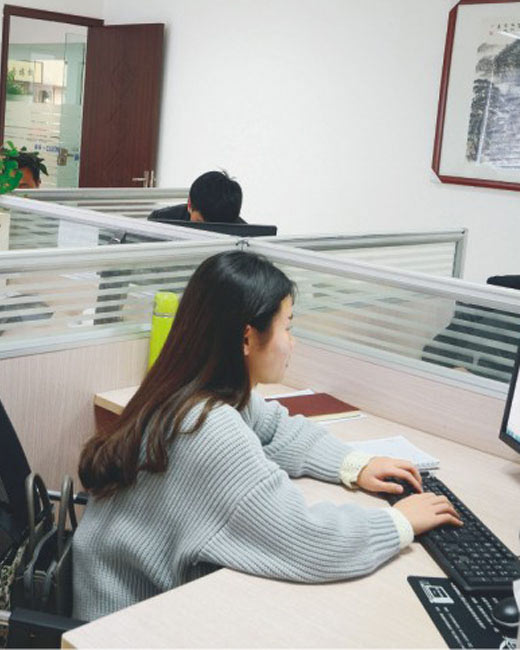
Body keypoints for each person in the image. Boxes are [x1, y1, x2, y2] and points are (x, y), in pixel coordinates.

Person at [73, 251, 460, 621]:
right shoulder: (208, 428)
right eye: (287, 327)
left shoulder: (188, 391)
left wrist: (355, 465)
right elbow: (307, 541)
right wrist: (400, 522)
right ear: (247, 338)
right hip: (122, 628)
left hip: (117, 601)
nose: (293, 342)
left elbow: (278, 429)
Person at [148, 170, 245, 223]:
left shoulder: (246, 239)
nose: (207, 231)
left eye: (216, 226)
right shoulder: (161, 222)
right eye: (199, 222)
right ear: (189, 204)